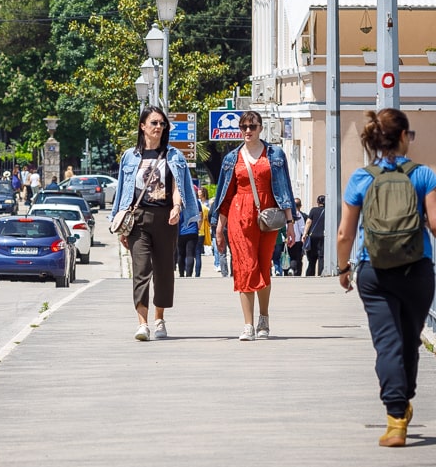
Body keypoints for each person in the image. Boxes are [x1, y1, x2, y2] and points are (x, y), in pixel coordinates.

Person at [338, 108, 436, 447]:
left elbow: (345, 233)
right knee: (408, 339)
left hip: (374, 272)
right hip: (417, 271)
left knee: (388, 343)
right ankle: (404, 400)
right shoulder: (424, 176)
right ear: (403, 137)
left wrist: (344, 269)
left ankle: (396, 417)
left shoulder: (361, 178)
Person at [108, 105, 199, 341]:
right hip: (138, 220)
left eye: (161, 123)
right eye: (154, 123)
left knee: (164, 272)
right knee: (140, 271)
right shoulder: (130, 157)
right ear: (143, 126)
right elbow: (121, 191)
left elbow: (178, 187)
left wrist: (178, 208)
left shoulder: (174, 155)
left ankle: (159, 319)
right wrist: (120, 222)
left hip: (166, 219)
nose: (158, 127)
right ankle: (142, 324)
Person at [211, 110, 297, 341]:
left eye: (252, 126)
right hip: (240, 216)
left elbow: (284, 189)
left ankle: (264, 317)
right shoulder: (232, 159)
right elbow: (225, 196)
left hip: (268, 217)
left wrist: (290, 223)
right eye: (244, 126)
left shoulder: (275, 154)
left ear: (260, 128)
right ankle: (248, 325)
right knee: (245, 266)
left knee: (263, 266)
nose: (248, 131)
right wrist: (219, 227)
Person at [304, 196, 326, 276]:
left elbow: (308, 222)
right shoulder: (328, 211)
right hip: (323, 236)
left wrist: (305, 233)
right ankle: (320, 274)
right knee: (321, 257)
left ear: (318, 202)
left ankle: (310, 274)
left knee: (312, 259)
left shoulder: (313, 210)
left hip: (312, 236)